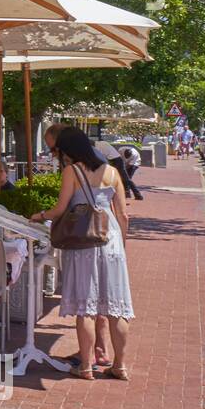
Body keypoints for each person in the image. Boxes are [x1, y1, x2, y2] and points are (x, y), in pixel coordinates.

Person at [31, 127, 135, 381]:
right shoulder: (112, 171)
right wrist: (121, 244)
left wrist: (38, 216)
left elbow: (59, 209)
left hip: (83, 241)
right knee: (116, 307)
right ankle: (119, 365)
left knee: (85, 307)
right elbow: (123, 214)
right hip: (110, 239)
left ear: (68, 149)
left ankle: (86, 366)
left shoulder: (72, 171)